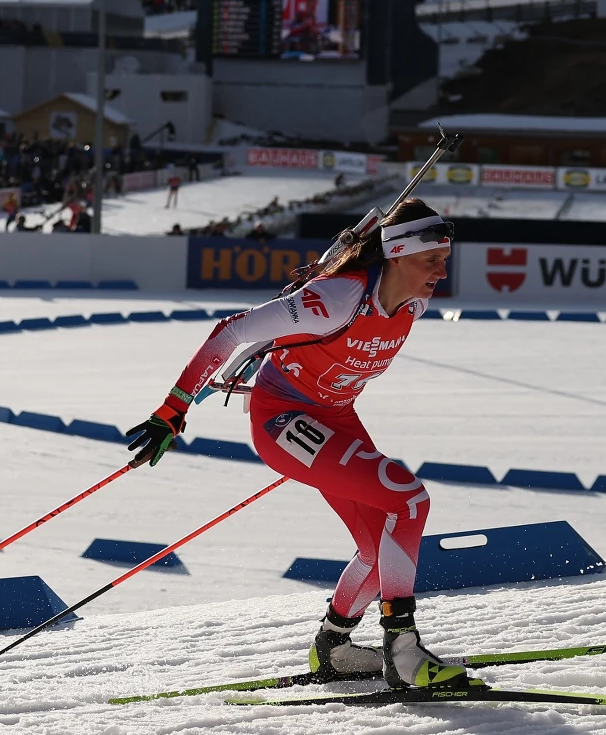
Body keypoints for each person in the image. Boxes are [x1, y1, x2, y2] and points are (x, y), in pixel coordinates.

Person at [124, 200, 464, 691]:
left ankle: (334, 648)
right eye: (431, 258)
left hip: (337, 418)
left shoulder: (413, 302)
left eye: (445, 257)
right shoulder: (335, 299)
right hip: (284, 419)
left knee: (376, 548)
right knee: (409, 500)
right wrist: (173, 408)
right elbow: (233, 331)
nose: (441, 269)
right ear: (397, 253)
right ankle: (403, 650)